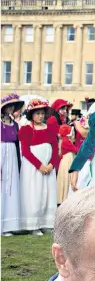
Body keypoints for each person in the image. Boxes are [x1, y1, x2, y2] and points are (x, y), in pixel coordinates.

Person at [18, 99, 59, 235]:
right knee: (35, 192)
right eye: (37, 114)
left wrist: (52, 164)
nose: (40, 116)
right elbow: (26, 151)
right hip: (34, 167)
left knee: (48, 193)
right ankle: (33, 224)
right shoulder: (26, 129)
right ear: (32, 115)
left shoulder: (50, 128)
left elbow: (54, 147)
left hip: (48, 167)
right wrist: (39, 165)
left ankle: (46, 222)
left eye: (42, 113)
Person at [1, 94, 23, 236]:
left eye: (13, 106)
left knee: (11, 186)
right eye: (8, 106)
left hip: (12, 156)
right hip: (1, 152)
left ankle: (9, 223)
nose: (11, 108)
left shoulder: (15, 124)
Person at [57, 125, 77, 205]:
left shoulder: (64, 140)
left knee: (65, 178)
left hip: (67, 160)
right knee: (67, 178)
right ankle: (65, 197)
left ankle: (63, 197)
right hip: (68, 160)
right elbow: (75, 149)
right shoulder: (66, 141)